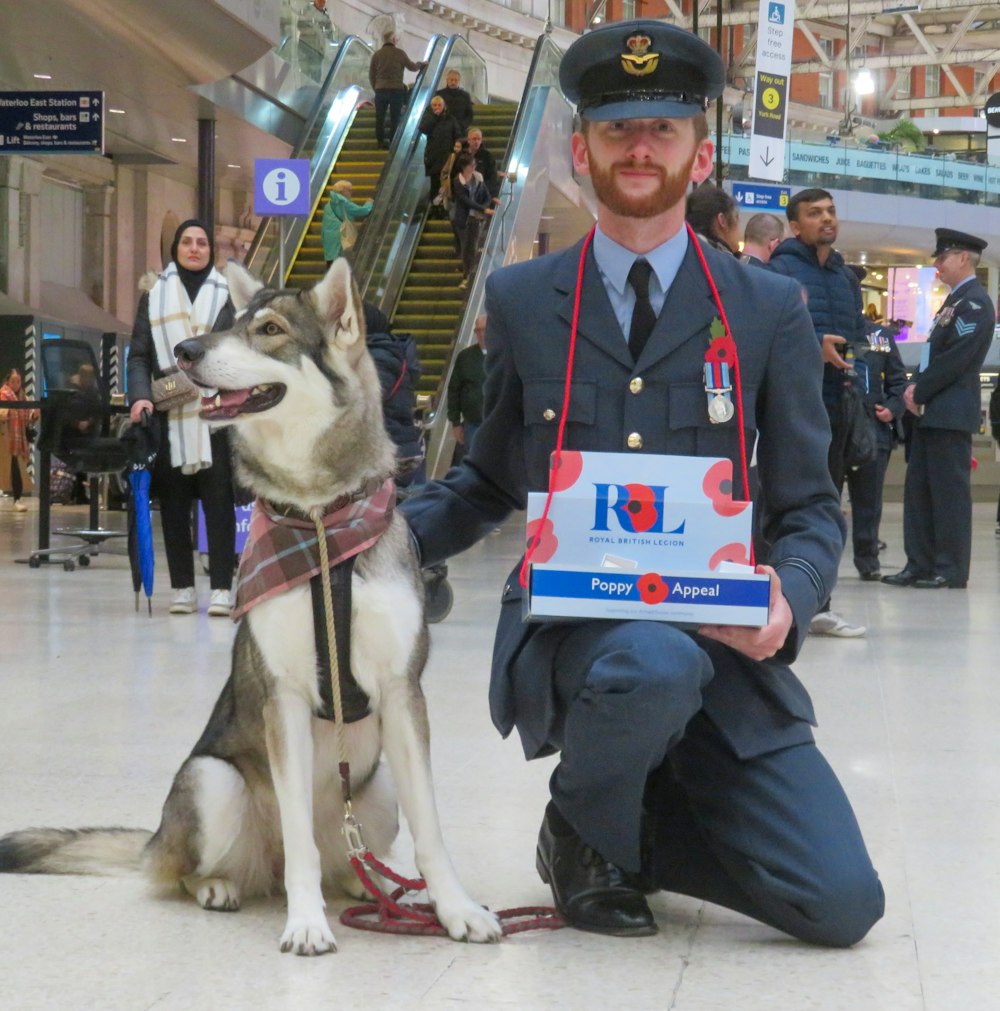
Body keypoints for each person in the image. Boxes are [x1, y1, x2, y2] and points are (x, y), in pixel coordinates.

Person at [399, 20, 883, 946]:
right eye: (619, 129)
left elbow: (809, 504)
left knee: (840, 903)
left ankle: (619, 820)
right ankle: (591, 824)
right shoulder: (523, 301)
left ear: (700, 155)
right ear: (580, 151)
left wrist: (791, 592)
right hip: (582, 635)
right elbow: (486, 479)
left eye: (665, 128)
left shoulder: (766, 307)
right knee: (649, 663)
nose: (641, 147)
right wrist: (372, 535)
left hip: (721, 638)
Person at [767, 188, 868, 637]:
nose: (826, 219)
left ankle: (817, 601)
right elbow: (766, 336)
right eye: (814, 213)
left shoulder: (846, 276)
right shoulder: (780, 271)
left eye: (830, 211)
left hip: (841, 404)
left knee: (831, 505)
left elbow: (858, 335)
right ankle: (787, 599)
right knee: (795, 503)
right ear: (794, 225)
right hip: (796, 408)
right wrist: (815, 345)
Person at [127, 219, 237, 617]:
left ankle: (223, 587)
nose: (194, 248)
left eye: (202, 243)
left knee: (219, 503)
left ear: (211, 250)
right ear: (175, 248)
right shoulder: (153, 295)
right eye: (187, 242)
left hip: (215, 415)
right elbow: (139, 355)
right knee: (173, 505)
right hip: (169, 417)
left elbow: (237, 353)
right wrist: (140, 397)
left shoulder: (228, 296)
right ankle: (183, 588)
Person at [883, 228, 995, 589]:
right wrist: (916, 387)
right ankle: (920, 563)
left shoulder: (976, 303)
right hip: (932, 411)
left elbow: (955, 360)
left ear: (964, 258)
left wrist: (920, 390)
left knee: (948, 494)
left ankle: (949, 568)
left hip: (948, 412)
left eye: (943, 257)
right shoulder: (953, 303)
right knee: (920, 493)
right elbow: (933, 356)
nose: (936, 265)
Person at [844, 266, 908, 581]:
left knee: (868, 501)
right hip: (833, 426)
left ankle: (868, 561)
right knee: (824, 501)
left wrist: (893, 409)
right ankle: (820, 563)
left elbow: (898, 380)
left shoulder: (880, 336)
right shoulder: (820, 332)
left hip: (872, 427)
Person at [368, 30, 427, 149]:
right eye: (396, 38)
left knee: (380, 117)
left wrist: (376, 87)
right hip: (396, 90)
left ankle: (380, 142)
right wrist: (422, 64)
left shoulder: (377, 54)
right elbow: (413, 67)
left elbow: (371, 74)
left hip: (380, 89)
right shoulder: (400, 53)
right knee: (395, 117)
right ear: (394, 40)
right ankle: (392, 142)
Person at [451, 153, 494, 289]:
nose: (474, 166)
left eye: (474, 164)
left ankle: (468, 275)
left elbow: (486, 195)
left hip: (475, 218)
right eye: (472, 165)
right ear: (464, 166)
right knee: (465, 248)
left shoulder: (478, 177)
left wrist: (486, 205)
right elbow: (465, 201)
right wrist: (483, 208)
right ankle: (466, 274)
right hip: (462, 219)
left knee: (473, 247)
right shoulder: (457, 182)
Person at [447, 313, 486, 458]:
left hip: (500, 424)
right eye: (478, 330)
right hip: (473, 424)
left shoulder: (505, 355)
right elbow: (454, 390)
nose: (481, 334)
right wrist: (455, 422)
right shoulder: (465, 357)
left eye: (484, 329)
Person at [0, 368, 36, 512]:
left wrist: (34, 415)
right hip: (4, 437)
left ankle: (17, 499)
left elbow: (29, 412)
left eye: (18, 381)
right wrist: (6, 412)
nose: (16, 384)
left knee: (16, 469)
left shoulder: (22, 397)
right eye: (13, 381)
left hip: (14, 440)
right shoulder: (3, 395)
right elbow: (2, 413)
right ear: (8, 382)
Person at [419, 95, 463, 210]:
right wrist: (434, 117)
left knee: (446, 181)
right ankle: (435, 207)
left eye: (439, 105)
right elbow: (423, 129)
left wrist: (458, 142)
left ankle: (445, 207)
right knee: (435, 182)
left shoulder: (450, 119)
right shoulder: (428, 117)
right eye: (434, 105)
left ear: (444, 106)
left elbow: (457, 133)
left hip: (447, 155)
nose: (437, 107)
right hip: (433, 155)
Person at [321, 179, 373, 268]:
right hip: (340, 237)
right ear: (341, 191)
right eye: (349, 190)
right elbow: (362, 211)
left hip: (329, 239)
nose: (351, 192)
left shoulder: (328, 205)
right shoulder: (342, 202)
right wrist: (369, 203)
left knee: (331, 264)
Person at [685, 182, 741, 256]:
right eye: (736, 217)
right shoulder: (723, 263)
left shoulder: (685, 253)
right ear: (722, 220)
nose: (739, 222)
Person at [463, 127, 503, 201]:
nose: (477, 142)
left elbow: (492, 177)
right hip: (463, 193)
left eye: (479, 139)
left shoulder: (487, 156)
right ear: (468, 140)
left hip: (481, 194)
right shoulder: (462, 155)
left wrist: (481, 190)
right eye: (474, 139)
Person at [433, 69, 474, 134]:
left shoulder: (465, 95)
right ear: (447, 80)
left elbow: (469, 115)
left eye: (456, 80)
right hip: (442, 130)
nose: (453, 82)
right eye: (451, 80)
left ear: (459, 81)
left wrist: (462, 126)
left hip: (460, 130)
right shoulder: (439, 94)